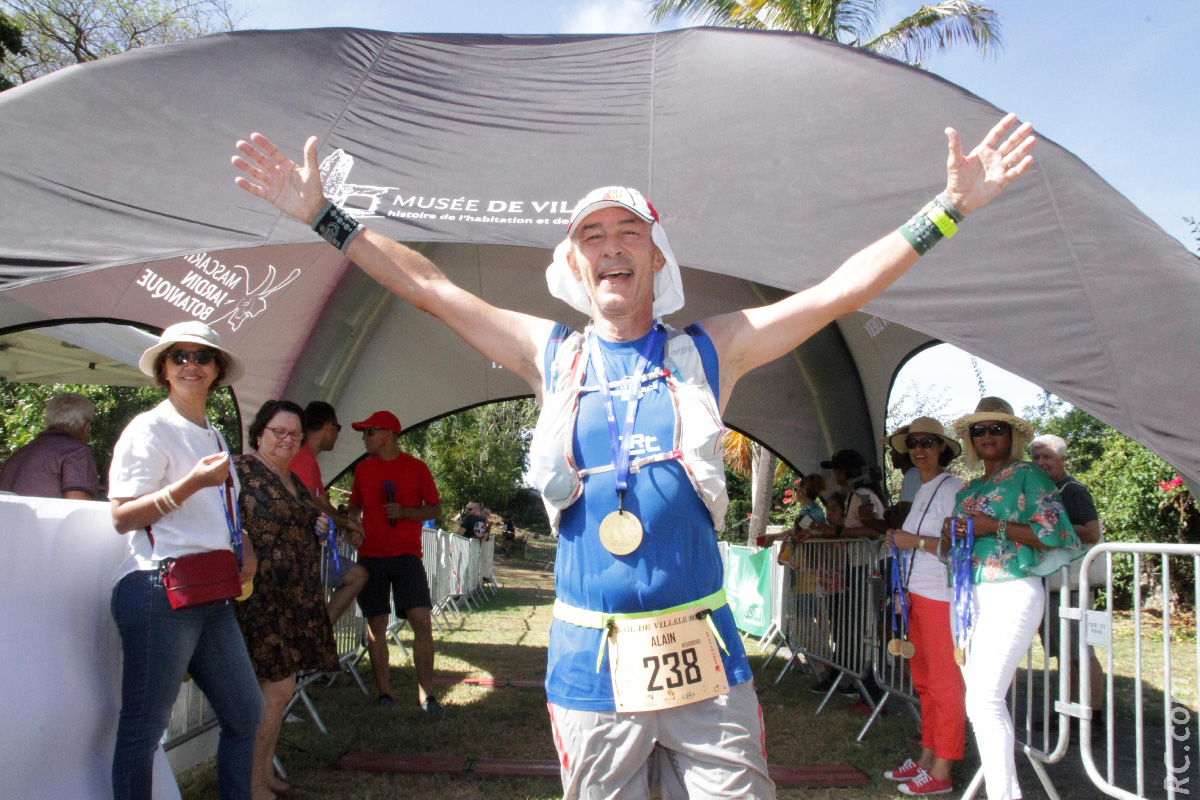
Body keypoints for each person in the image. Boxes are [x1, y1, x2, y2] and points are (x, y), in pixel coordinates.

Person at [233, 111, 1036, 798]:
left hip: (705, 652)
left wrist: (949, 208)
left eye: (629, 233)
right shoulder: (550, 354)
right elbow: (428, 289)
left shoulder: (711, 349)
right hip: (591, 658)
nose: (611, 247)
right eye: (592, 236)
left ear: (658, 258)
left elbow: (838, 293)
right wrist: (325, 216)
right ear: (575, 266)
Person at [108, 321, 262, 800]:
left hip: (210, 589)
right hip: (159, 588)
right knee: (144, 730)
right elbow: (121, 517)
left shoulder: (214, 437)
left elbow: (220, 511)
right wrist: (190, 483)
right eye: (179, 356)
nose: (191, 365)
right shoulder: (149, 428)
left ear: (216, 370)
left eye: (202, 357)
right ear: (164, 368)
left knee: (246, 713)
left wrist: (247, 547)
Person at [941, 397, 1080, 800]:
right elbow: (958, 544)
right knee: (981, 702)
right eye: (978, 429)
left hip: (1011, 591)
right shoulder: (969, 488)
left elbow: (1054, 534)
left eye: (996, 428)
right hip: (967, 595)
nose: (986, 435)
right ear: (970, 438)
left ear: (1013, 435)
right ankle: (1007, 792)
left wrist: (991, 525)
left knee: (984, 699)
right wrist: (954, 532)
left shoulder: (1029, 476)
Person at [233, 400, 338, 800]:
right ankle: (253, 784)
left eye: (295, 434)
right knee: (275, 690)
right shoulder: (240, 472)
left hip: (295, 599)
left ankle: (264, 772)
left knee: (279, 690)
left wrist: (320, 524)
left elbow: (298, 524)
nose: (287, 440)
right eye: (279, 431)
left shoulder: (292, 479)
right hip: (259, 599)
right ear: (260, 433)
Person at [880, 417, 965, 796]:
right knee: (926, 684)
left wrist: (912, 540)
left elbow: (957, 547)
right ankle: (928, 758)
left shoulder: (953, 489)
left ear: (942, 448)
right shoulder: (925, 489)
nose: (919, 449)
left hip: (941, 598)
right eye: (913, 442)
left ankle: (943, 771)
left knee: (945, 686)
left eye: (928, 442)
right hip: (917, 596)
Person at [346, 410, 443, 714]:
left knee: (421, 622)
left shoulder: (417, 468)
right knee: (376, 624)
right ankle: (384, 693)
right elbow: (353, 507)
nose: (364, 438)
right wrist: (350, 525)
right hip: (371, 556)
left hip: (407, 556)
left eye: (369, 431)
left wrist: (404, 513)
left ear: (388, 434)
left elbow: (436, 510)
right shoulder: (363, 470)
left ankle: (426, 695)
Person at [1030, 433, 1105, 714]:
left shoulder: (1072, 490)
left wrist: (1050, 533)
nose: (1040, 462)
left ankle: (1092, 715)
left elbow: (1091, 532)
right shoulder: (1046, 491)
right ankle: (1070, 712)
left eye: (1046, 457)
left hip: (1073, 584)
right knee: (1065, 652)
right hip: (1055, 582)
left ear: (1062, 459)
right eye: (1036, 457)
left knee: (1080, 652)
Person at [290, 400, 368, 623]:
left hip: (307, 549)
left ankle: (317, 635)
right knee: (357, 576)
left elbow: (324, 503)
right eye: (338, 428)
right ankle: (319, 635)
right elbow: (313, 504)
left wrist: (346, 521)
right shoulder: (303, 458)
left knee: (355, 577)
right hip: (299, 552)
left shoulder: (308, 460)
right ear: (328, 427)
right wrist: (350, 524)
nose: (337, 435)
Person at [0, 391, 99, 499]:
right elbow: (78, 506)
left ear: (47, 421)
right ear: (86, 426)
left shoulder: (17, 455)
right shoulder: (76, 452)